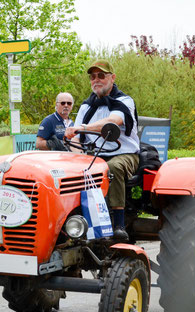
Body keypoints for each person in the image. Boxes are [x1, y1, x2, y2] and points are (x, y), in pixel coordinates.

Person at [65, 60, 139, 242]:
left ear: (112, 78)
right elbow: (76, 137)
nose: (96, 80)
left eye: (101, 75)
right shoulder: (86, 106)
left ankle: (119, 225)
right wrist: (76, 154)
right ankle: (72, 224)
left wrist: (81, 127)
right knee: (68, 172)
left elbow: (111, 123)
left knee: (112, 168)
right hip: (94, 155)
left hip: (124, 154)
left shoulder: (124, 101)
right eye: (92, 76)